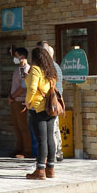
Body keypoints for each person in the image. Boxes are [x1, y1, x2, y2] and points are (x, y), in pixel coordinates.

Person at [24, 47, 58, 180]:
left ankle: (40, 170)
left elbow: (32, 88)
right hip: (51, 107)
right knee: (50, 138)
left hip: (38, 107)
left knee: (41, 140)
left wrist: (27, 102)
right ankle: (50, 169)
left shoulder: (36, 69)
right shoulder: (51, 70)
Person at [37, 41, 66, 161]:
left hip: (50, 101)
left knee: (50, 131)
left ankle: (52, 155)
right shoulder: (57, 66)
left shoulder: (48, 68)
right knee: (55, 127)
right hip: (57, 101)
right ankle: (58, 152)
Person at [8, 47, 36, 158]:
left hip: (21, 101)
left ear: (22, 56)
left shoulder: (26, 69)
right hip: (14, 101)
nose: (14, 58)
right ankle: (19, 148)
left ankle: (27, 150)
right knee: (17, 126)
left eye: (16, 56)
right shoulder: (18, 68)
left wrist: (13, 96)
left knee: (23, 126)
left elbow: (23, 87)